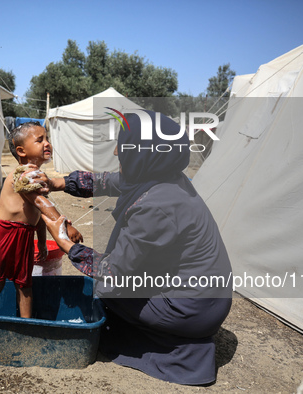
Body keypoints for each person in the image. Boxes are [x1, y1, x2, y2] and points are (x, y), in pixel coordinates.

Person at [37, 111, 233, 385]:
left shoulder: (157, 206)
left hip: (192, 310)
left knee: (104, 289)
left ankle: (160, 341)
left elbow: (113, 271)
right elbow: (106, 181)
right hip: (208, 297)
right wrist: (59, 183)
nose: (117, 151)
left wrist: (67, 245)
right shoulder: (164, 177)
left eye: (124, 144)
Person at [0, 122, 82, 318]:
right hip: (5, 233)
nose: (47, 143)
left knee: (25, 283)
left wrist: (42, 242)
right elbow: (42, 203)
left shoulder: (37, 174)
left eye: (47, 139)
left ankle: (27, 326)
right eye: (39, 140)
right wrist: (66, 226)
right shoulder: (22, 175)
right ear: (21, 151)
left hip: (25, 234)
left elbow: (39, 216)